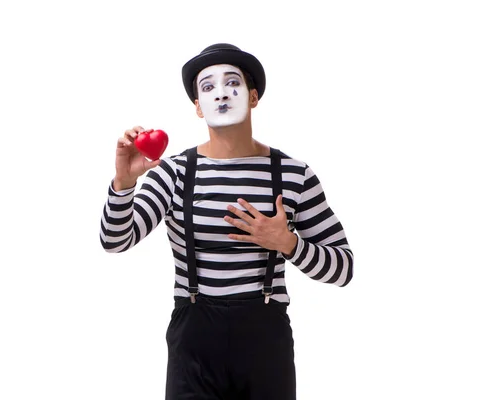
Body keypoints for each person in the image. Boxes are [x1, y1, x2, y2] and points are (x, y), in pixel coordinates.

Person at [99, 43, 353, 400]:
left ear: (253, 97)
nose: (220, 94)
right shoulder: (172, 173)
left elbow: (343, 269)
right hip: (195, 336)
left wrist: (288, 244)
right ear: (198, 108)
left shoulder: (295, 175)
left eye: (231, 83)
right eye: (207, 87)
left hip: (266, 339)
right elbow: (115, 240)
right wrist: (124, 183)